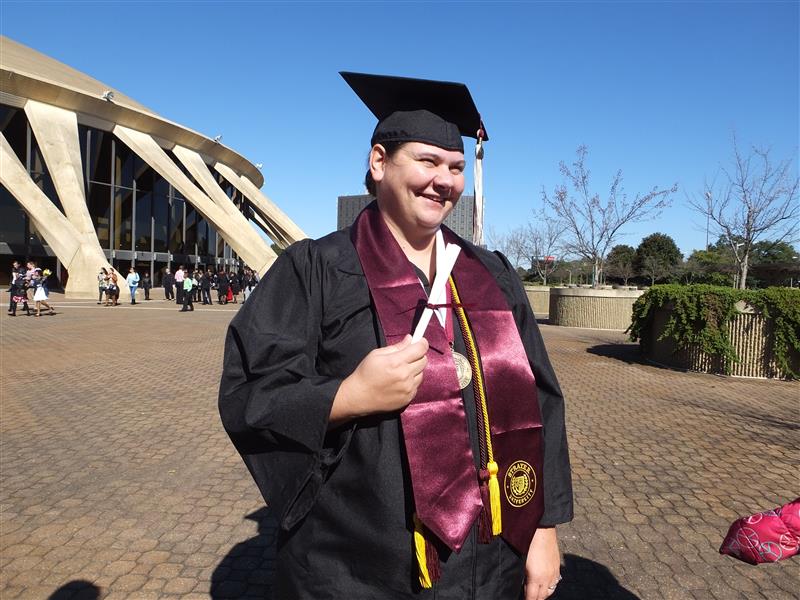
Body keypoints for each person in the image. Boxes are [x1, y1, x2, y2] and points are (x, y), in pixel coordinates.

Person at [219, 73, 573, 600]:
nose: (445, 181)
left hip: (489, 561)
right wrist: (346, 397)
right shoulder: (315, 270)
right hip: (357, 567)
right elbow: (250, 393)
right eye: (428, 161)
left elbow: (540, 400)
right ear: (379, 162)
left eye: (456, 167)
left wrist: (542, 526)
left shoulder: (491, 275)